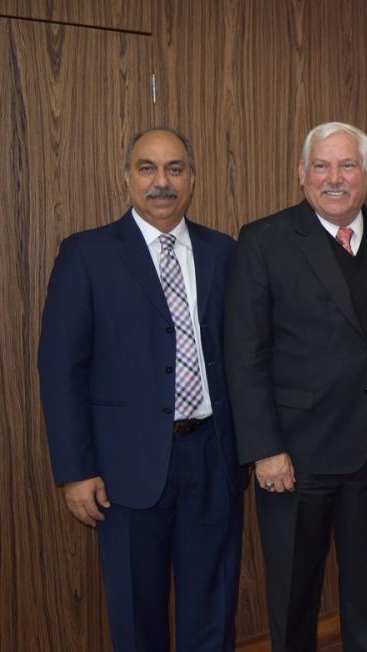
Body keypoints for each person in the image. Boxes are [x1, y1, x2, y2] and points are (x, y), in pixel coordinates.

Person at [38, 128, 247, 651]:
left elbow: (246, 357)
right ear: (126, 177)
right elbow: (61, 369)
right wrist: (74, 470)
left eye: (174, 169)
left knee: (212, 607)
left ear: (192, 179)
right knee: (136, 613)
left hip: (213, 458)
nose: (162, 182)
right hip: (124, 467)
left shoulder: (224, 253)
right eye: (148, 168)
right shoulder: (86, 255)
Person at [225, 122, 367, 652]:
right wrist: (266, 450)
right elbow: (245, 355)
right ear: (301, 173)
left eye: (347, 166)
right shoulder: (264, 239)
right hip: (295, 457)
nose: (334, 179)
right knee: (294, 596)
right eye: (321, 166)